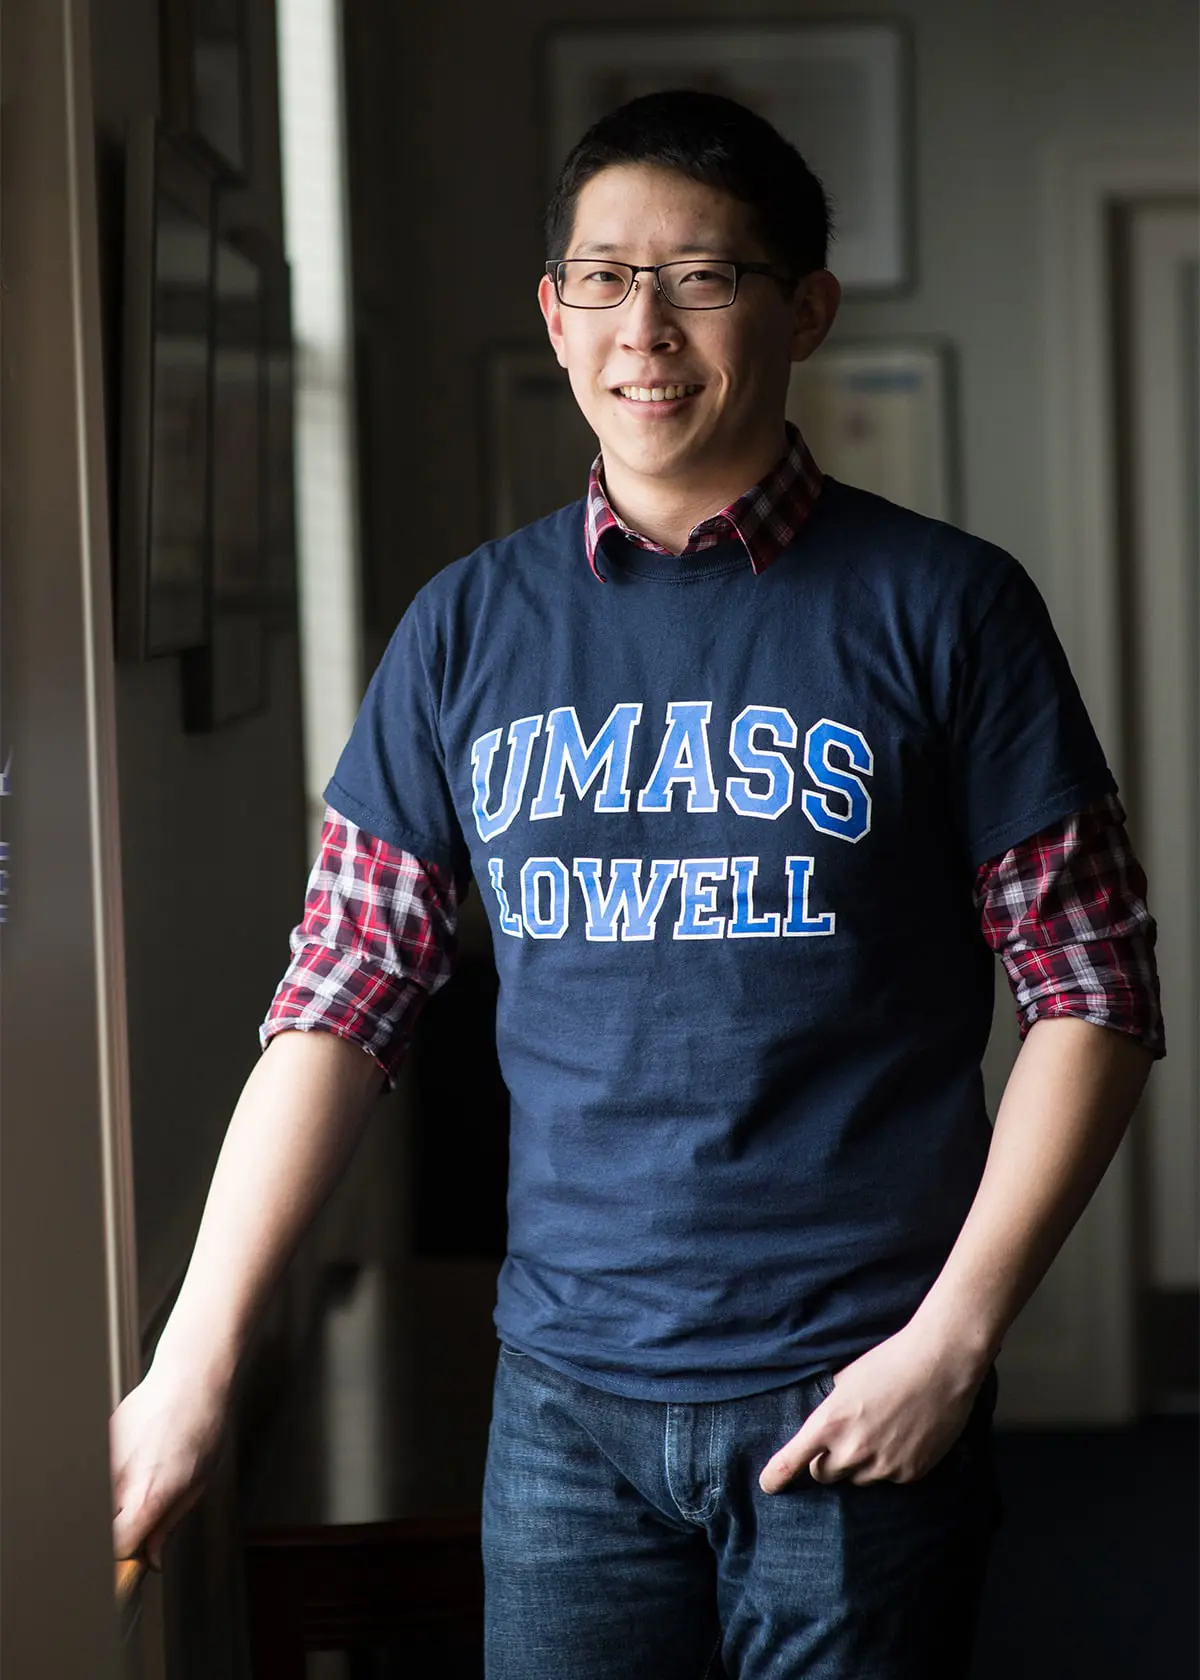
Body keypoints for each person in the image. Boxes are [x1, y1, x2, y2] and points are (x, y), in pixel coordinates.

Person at [111, 90, 1164, 1678]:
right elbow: (336, 1004)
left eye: (705, 278)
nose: (645, 329)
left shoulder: (952, 610)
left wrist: (955, 1342)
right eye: (602, 278)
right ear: (552, 314)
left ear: (804, 307)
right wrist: (192, 1366)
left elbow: (1093, 991)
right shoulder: (461, 632)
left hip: (855, 1382)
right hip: (562, 1413)